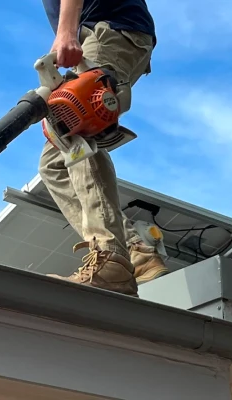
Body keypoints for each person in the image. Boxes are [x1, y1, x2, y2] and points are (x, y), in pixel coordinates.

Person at [39, 0, 167, 297]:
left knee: (77, 123)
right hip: (106, 34)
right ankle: (137, 252)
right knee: (55, 163)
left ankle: (111, 258)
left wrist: (66, 33)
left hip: (111, 31)